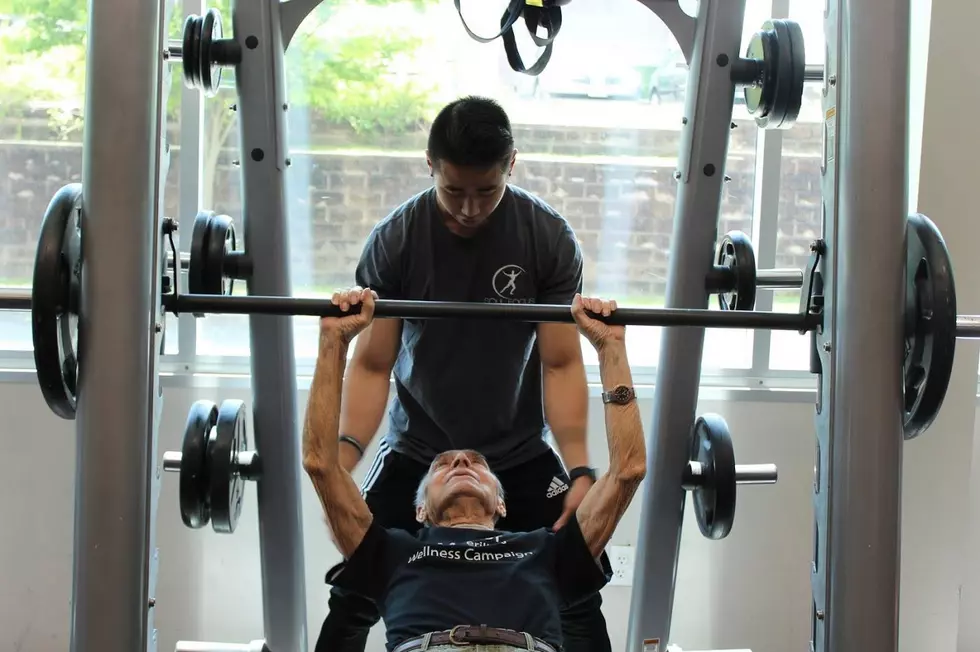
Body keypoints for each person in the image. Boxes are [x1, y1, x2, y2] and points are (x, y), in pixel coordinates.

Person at [314, 96, 611, 652]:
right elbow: (375, 363)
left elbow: (561, 361)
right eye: (454, 191)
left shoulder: (546, 238)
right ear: (429, 165)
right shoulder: (396, 240)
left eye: (486, 191)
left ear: (512, 165)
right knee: (356, 587)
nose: (470, 209)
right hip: (418, 448)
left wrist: (579, 470)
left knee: (577, 586)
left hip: (520, 451)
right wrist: (345, 458)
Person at [303, 289, 645, 652]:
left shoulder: (545, 550)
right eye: (442, 465)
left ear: (502, 505)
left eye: (478, 464)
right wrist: (333, 342)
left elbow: (629, 470)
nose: (462, 461)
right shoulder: (390, 552)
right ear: (419, 511)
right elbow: (320, 464)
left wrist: (611, 349)